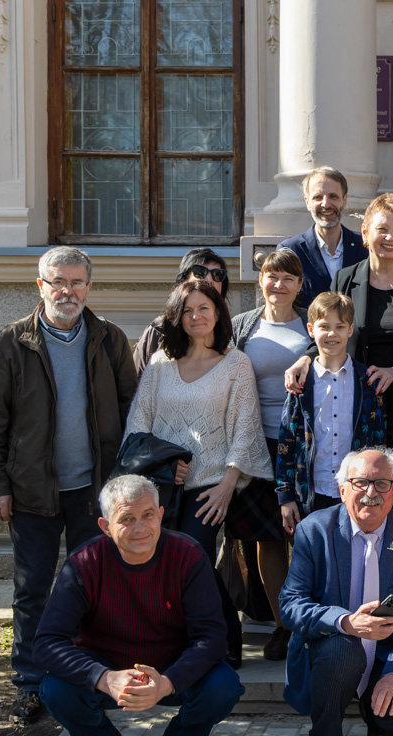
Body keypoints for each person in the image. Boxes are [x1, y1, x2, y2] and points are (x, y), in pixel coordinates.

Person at [0, 246, 138, 726]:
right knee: (33, 591)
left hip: (93, 492)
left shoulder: (109, 338)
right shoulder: (10, 343)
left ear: (89, 286)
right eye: (58, 282)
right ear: (40, 286)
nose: (68, 291)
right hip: (30, 492)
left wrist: (123, 482)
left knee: (93, 588)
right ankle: (30, 684)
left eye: (76, 282)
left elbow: (131, 410)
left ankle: (89, 678)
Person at [34, 475, 243, 736]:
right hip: (105, 666)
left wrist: (167, 683)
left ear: (161, 515)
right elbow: (47, 642)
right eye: (126, 519)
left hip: (173, 664)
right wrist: (104, 677)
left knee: (223, 686)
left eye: (148, 515)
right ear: (105, 526)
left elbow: (212, 638)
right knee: (57, 690)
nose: (140, 528)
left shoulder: (188, 555)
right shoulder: (85, 563)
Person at [285, 195, 393, 530]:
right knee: (362, 508)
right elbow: (330, 329)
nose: (390, 237)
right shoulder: (345, 279)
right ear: (366, 231)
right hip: (359, 413)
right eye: (382, 229)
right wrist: (305, 358)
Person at [279, 448, 393, 736]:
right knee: (343, 650)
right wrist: (345, 622)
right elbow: (291, 605)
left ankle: (376, 719)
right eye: (360, 482)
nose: (370, 492)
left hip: (387, 655)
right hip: (330, 653)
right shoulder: (314, 531)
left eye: (382, 484)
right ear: (342, 490)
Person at [124, 280, 272, 562]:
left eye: (203, 308)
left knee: (192, 560)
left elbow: (246, 428)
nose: (196, 316)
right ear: (177, 317)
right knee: (157, 562)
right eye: (187, 310)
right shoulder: (159, 363)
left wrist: (227, 487)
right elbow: (137, 424)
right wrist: (162, 464)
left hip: (209, 485)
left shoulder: (236, 364)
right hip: (159, 483)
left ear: (217, 313)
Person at [229, 248, 311, 661]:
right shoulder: (242, 326)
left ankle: (313, 622)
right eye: (271, 276)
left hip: (305, 444)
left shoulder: (311, 324)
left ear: (299, 284)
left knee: (308, 535)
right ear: (260, 279)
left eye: (287, 278)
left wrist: (309, 354)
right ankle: (284, 626)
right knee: (269, 537)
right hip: (258, 442)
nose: (278, 284)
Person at [277, 291, 386, 520]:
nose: (332, 334)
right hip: (310, 494)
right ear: (311, 330)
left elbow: (379, 441)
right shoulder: (300, 383)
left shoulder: (367, 382)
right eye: (324, 326)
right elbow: (287, 440)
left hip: (357, 493)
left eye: (339, 326)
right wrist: (285, 496)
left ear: (350, 330)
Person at [277, 166, 370, 307]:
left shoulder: (365, 247)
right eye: (318, 197)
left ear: (344, 200)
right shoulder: (291, 251)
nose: (326, 204)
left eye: (333, 196)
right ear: (307, 202)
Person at [132, 248, 231, 377]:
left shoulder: (230, 330)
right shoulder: (160, 329)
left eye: (217, 274)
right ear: (184, 280)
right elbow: (136, 382)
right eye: (200, 272)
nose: (208, 279)